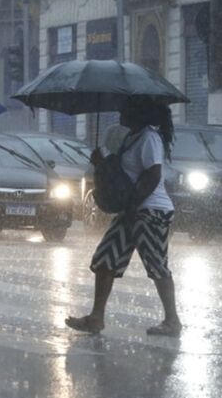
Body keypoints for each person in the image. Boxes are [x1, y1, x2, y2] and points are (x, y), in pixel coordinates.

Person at [66, 98, 182, 337]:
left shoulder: (149, 138)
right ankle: (96, 318)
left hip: (150, 212)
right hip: (131, 211)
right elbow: (123, 174)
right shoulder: (132, 137)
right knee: (105, 259)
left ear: (138, 112)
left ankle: (172, 321)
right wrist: (102, 163)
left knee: (156, 264)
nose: (120, 112)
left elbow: (153, 175)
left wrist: (133, 204)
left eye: (126, 108)